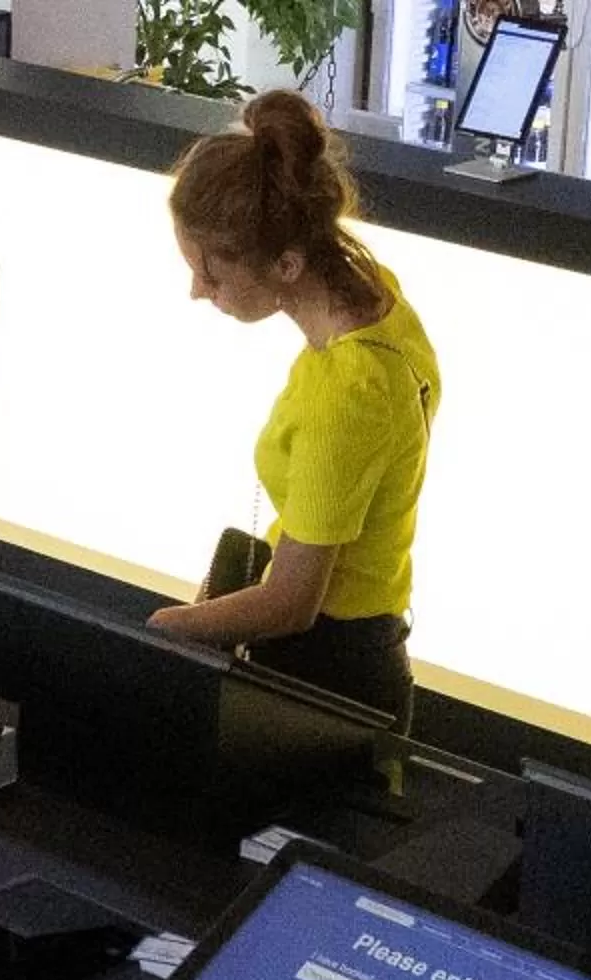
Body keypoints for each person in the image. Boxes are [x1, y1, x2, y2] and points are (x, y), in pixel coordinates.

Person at [147, 91, 440, 727]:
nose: (198, 292)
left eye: (212, 274)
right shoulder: (370, 291)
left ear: (286, 263)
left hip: (331, 678)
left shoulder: (351, 392)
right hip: (347, 652)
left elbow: (290, 605)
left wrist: (166, 627)